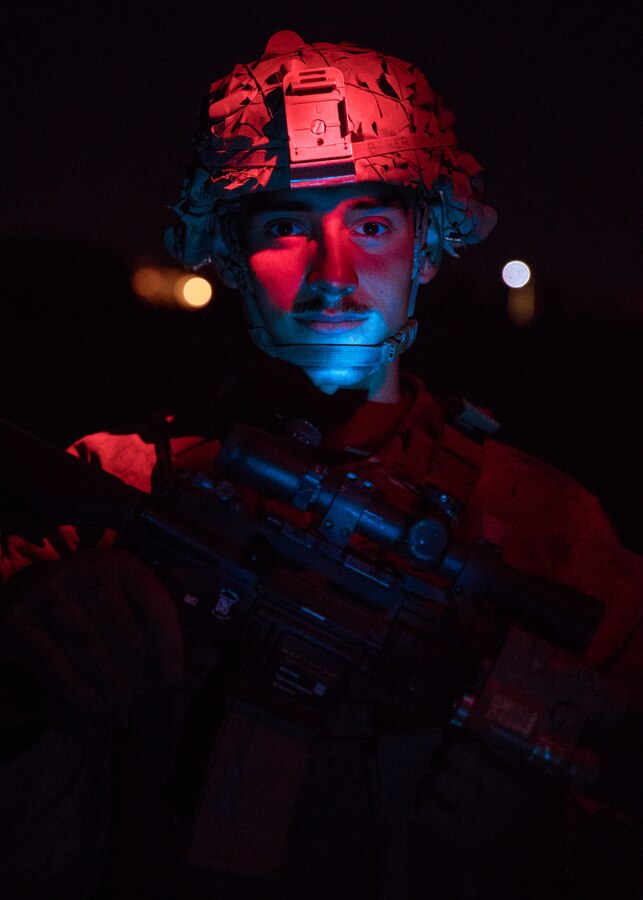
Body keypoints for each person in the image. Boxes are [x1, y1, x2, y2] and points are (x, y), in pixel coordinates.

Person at [1, 30, 641, 900]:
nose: (331, 274)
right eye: (286, 227)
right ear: (226, 252)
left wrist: (547, 841)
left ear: (428, 247)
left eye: (371, 224)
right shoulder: (120, 486)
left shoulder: (551, 536)